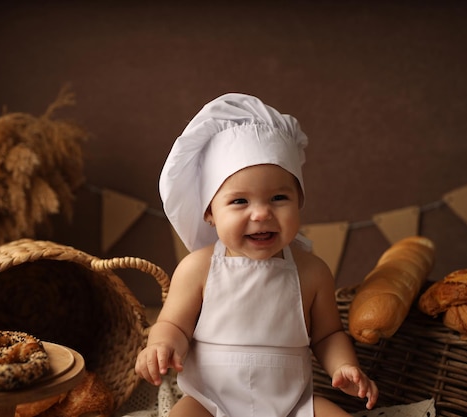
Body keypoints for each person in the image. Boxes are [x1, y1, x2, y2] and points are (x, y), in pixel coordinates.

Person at [135, 93, 378, 416]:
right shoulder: (197, 268)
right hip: (210, 401)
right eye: (239, 202)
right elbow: (173, 325)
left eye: (279, 197)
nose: (261, 214)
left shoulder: (312, 272)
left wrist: (344, 366)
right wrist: (161, 346)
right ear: (210, 212)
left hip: (292, 404)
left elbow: (328, 335)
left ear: (299, 201)